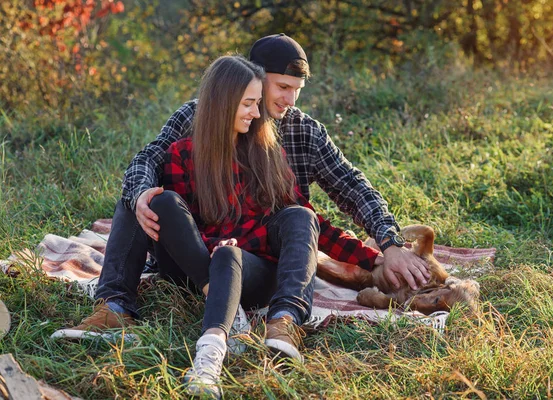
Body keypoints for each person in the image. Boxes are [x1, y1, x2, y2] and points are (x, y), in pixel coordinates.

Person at [58, 34, 428, 349]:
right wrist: (140, 194)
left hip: (255, 260)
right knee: (140, 196)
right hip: (191, 254)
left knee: (297, 218)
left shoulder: (301, 133)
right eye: (283, 87)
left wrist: (388, 245)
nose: (290, 100)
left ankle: (274, 317)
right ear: (252, 78)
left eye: (297, 91)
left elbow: (351, 186)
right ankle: (115, 309)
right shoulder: (199, 118)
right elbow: (147, 159)